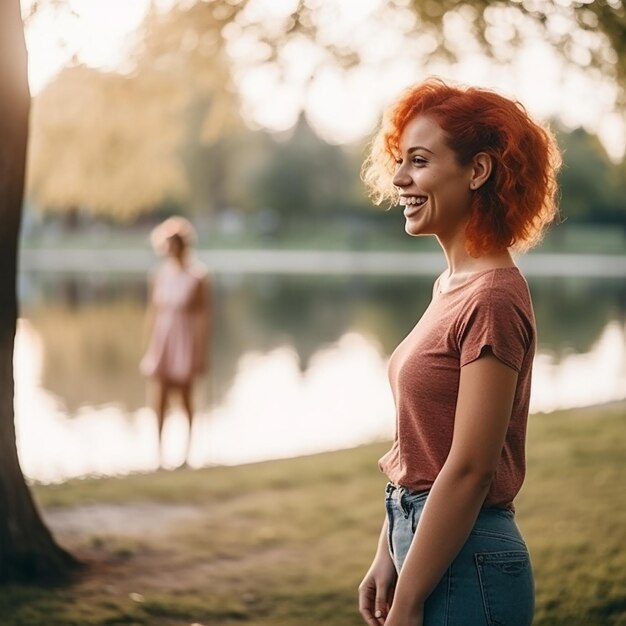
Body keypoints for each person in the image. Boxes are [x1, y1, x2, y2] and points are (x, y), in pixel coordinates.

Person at [358, 78, 561, 626]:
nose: (400, 178)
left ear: (477, 171)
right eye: (400, 160)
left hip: (469, 560)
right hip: (425, 543)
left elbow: (470, 468)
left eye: (419, 161)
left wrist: (408, 602)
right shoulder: (452, 286)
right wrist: (387, 551)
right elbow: (421, 445)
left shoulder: (493, 296)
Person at [140, 216, 211, 468]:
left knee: (185, 397)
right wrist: (150, 343)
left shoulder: (197, 277)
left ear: (182, 246)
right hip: (163, 340)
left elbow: (203, 316)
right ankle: (158, 455)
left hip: (185, 341)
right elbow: (153, 312)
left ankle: (187, 455)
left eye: (173, 244)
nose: (168, 250)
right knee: (158, 396)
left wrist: (201, 351)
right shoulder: (159, 276)